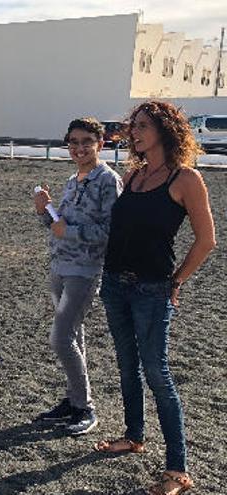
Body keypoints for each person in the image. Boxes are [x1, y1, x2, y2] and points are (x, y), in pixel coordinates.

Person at [94, 101, 215, 495]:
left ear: (165, 130)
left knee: (157, 374)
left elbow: (206, 241)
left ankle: (177, 470)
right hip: (115, 284)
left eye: (143, 126)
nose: (135, 133)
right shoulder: (133, 177)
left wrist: (176, 281)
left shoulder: (185, 179)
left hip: (152, 289)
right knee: (127, 367)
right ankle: (134, 437)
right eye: (134, 127)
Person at [33, 117, 122, 436]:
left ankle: (85, 407)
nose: (80, 148)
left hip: (84, 271)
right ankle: (74, 400)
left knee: (61, 337)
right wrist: (46, 210)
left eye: (87, 141)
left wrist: (67, 230)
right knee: (73, 335)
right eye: (73, 142)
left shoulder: (108, 180)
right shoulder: (74, 179)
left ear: (101, 143)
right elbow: (58, 227)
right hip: (60, 267)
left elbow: (112, 232)